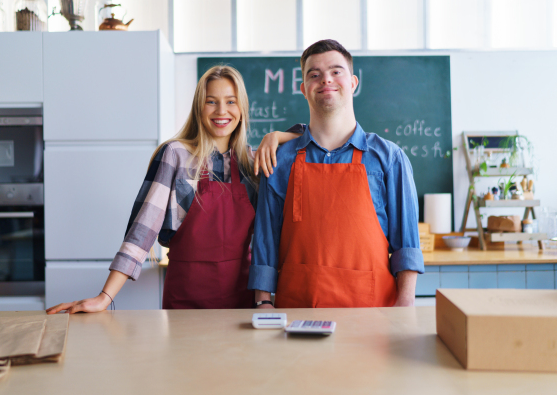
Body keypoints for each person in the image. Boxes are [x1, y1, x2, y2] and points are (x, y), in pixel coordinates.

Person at [46, 65, 300, 313]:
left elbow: (309, 139)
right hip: (186, 297)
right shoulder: (176, 155)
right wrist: (105, 296)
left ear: (242, 109)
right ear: (199, 108)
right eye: (211, 101)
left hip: (241, 298)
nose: (221, 110)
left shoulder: (253, 162)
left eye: (231, 102)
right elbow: (142, 229)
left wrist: (275, 136)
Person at [249, 40, 424, 309]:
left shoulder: (389, 158)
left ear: (353, 82)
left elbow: (407, 245)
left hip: (373, 316)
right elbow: (266, 240)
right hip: (298, 313)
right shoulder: (279, 160)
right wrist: (263, 303)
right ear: (303, 89)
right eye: (314, 74)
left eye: (336, 71)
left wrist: (404, 307)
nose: (326, 80)